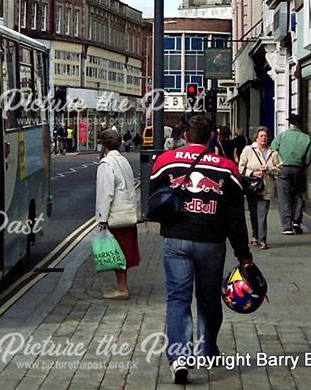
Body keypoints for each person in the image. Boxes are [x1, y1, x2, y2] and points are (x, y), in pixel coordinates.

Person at [149, 116, 253, 384]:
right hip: (211, 242)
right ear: (211, 138)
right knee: (208, 298)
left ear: (186, 135)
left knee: (177, 299)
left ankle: (180, 357)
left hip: (175, 240)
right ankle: (207, 350)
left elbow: (155, 199)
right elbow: (235, 217)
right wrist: (244, 254)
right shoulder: (228, 168)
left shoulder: (164, 161)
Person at [95, 129, 140, 300]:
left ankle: (121, 288)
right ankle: (122, 286)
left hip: (115, 215)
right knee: (123, 251)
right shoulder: (123, 161)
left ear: (103, 144)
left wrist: (102, 219)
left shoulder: (107, 164)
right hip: (127, 212)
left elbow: (106, 193)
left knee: (116, 252)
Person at [239, 126, 283, 250]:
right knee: (253, 213)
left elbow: (280, 169)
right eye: (261, 136)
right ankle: (255, 235)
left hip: (266, 188)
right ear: (256, 138)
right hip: (252, 188)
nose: (264, 138)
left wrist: (269, 169)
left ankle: (263, 239)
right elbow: (240, 167)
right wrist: (252, 173)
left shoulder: (273, 153)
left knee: (262, 215)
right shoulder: (248, 150)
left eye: (266, 136)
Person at [272, 114, 311, 235]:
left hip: (283, 168)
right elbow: (308, 158)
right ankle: (296, 220)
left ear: (289, 123)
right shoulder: (306, 138)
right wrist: (303, 165)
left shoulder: (281, 136)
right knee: (298, 194)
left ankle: (286, 226)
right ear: (300, 124)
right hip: (299, 169)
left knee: (283, 196)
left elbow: (273, 151)